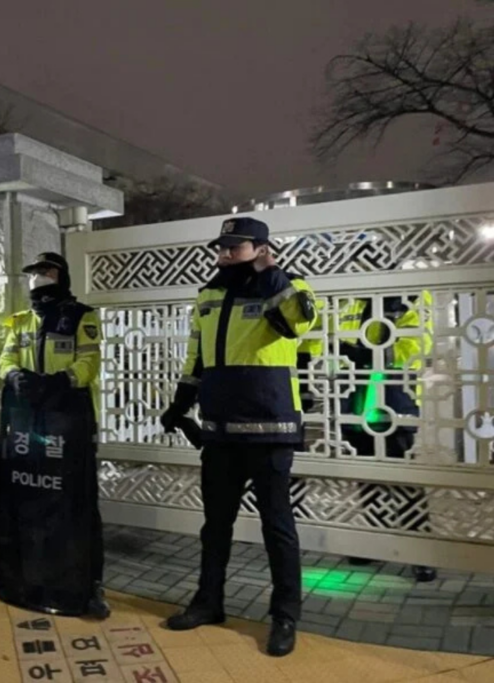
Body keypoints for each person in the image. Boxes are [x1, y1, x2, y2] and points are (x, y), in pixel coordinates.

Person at [159, 217, 317, 657]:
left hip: (272, 430)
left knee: (277, 527)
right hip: (221, 430)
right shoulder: (209, 294)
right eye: (222, 247)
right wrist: (180, 402)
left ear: (262, 248)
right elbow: (197, 357)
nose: (225, 254)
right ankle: (208, 601)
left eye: (236, 246)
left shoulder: (290, 286)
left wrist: (271, 274)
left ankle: (285, 615)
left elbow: (297, 324)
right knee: (216, 526)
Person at [0, 251, 110, 619]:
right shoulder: (20, 321)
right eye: (33, 273)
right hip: (30, 424)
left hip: (69, 422)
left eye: (45, 272)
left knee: (76, 503)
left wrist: (60, 382)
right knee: (30, 499)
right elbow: (5, 360)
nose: (38, 279)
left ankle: (87, 583)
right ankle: (30, 577)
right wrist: (15, 376)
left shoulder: (81, 316)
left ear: (60, 276)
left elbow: (88, 363)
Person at [337, 292, 437, 582]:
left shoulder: (411, 299)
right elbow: (338, 346)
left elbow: (415, 345)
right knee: (368, 480)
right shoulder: (351, 301)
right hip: (357, 403)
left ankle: (420, 553)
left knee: (404, 482)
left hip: (395, 403)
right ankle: (375, 543)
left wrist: (368, 352)